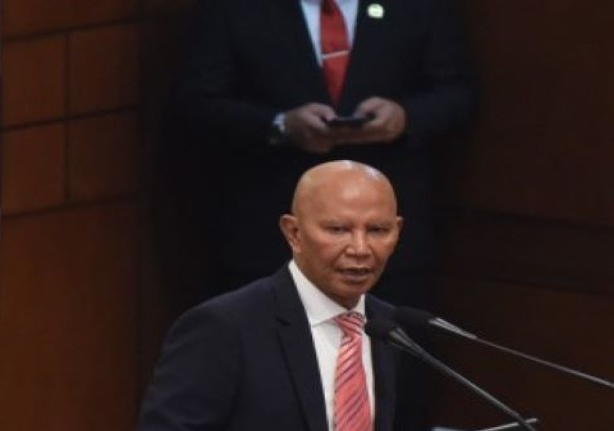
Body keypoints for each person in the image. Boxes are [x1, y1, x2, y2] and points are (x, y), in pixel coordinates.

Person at [131, 161, 424, 431]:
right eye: (338, 230)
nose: (361, 248)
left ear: (397, 231)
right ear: (293, 232)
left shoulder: (382, 325)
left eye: (377, 231)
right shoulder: (225, 325)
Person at [174, 0, 474, 305]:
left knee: (385, 347)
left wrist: (405, 117)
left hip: (388, 238)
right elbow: (197, 103)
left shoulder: (420, 6)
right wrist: (280, 125)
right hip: (268, 231)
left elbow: (456, 92)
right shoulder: (233, 9)